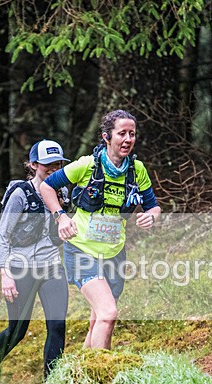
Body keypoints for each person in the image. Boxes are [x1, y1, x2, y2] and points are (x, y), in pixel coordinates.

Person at [39, 110, 161, 349]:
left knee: (99, 319)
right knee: (108, 313)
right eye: (122, 133)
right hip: (82, 250)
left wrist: (151, 217)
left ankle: (83, 369)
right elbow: (47, 187)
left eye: (132, 134)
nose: (128, 139)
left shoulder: (136, 170)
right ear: (107, 136)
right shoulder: (87, 165)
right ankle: (102, 369)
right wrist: (61, 217)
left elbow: (153, 206)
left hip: (114, 253)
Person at [0, 140, 70, 384]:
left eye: (58, 164)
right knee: (17, 330)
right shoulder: (20, 194)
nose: (53, 168)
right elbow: (2, 236)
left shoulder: (62, 191)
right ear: (33, 165)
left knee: (57, 325)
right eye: (48, 164)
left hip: (51, 265)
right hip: (20, 267)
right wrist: (5, 273)